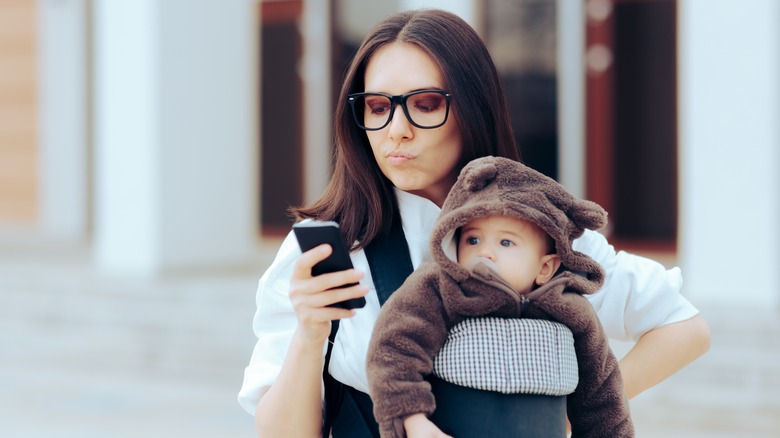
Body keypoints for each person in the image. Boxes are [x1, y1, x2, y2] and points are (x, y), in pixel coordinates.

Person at [238, 8, 711, 437]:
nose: (396, 130)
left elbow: (684, 328)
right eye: (378, 108)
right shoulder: (331, 249)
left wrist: (574, 415)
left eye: (424, 104)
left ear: (471, 106)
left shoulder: (540, 228)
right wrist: (310, 334)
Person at [366, 156, 632, 437]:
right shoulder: (441, 289)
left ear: (545, 268)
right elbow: (394, 348)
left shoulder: (572, 310)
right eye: (473, 240)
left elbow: (601, 393)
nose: (485, 252)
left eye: (506, 242)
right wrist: (412, 420)